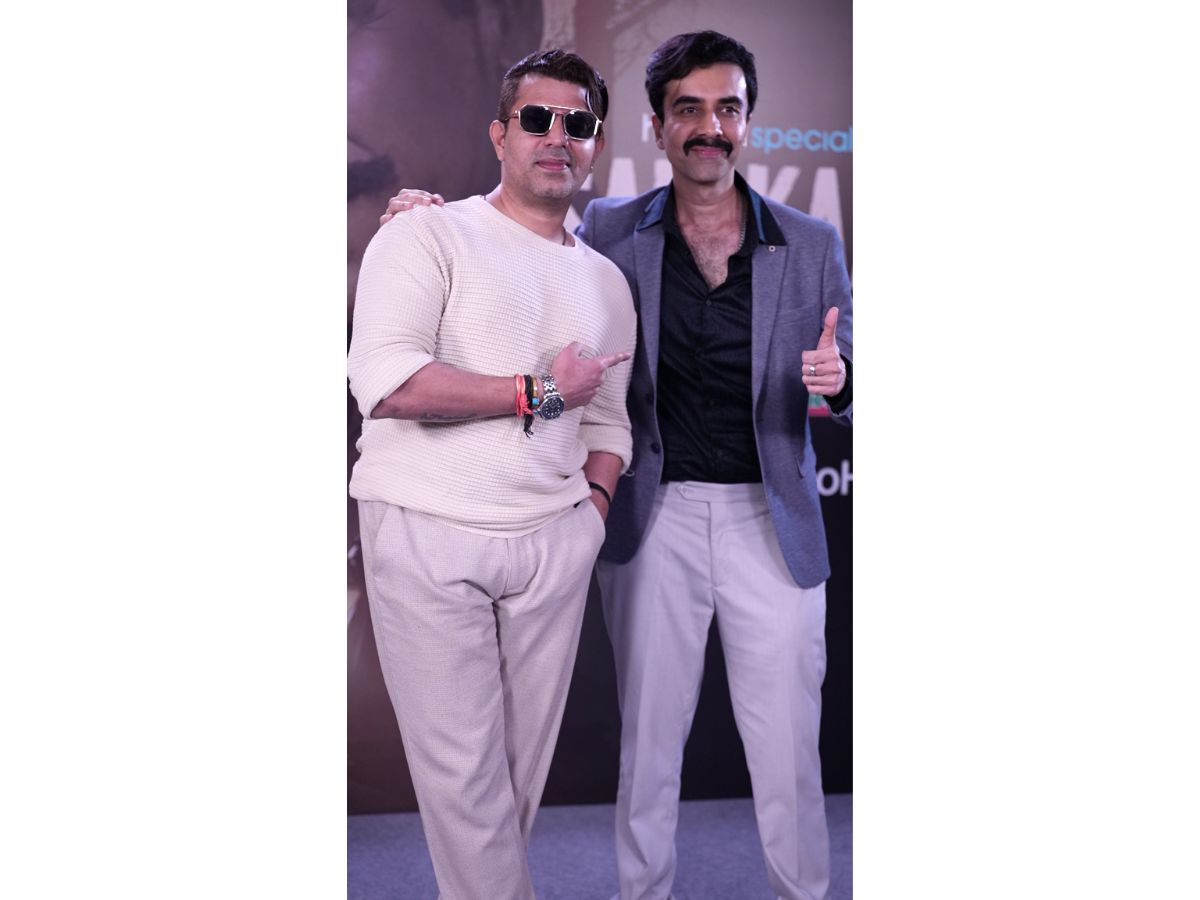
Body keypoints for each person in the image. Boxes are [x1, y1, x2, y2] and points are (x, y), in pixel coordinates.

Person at [382, 30, 852, 900]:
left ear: (748, 120)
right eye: (688, 109)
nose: (710, 127)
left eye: (728, 108)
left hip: (771, 517)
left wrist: (841, 376)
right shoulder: (606, 229)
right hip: (652, 512)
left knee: (790, 745)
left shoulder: (812, 241)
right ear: (658, 126)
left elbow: (848, 360)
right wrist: (422, 210)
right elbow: (515, 226)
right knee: (649, 745)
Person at [348, 48, 636, 900]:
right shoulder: (425, 233)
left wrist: (591, 512)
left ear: (596, 143)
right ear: (500, 134)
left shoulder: (607, 283)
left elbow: (609, 420)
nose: (558, 136)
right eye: (537, 119)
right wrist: (540, 392)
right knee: (467, 788)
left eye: (578, 123)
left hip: (554, 542)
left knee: (511, 783)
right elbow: (389, 386)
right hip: (429, 530)